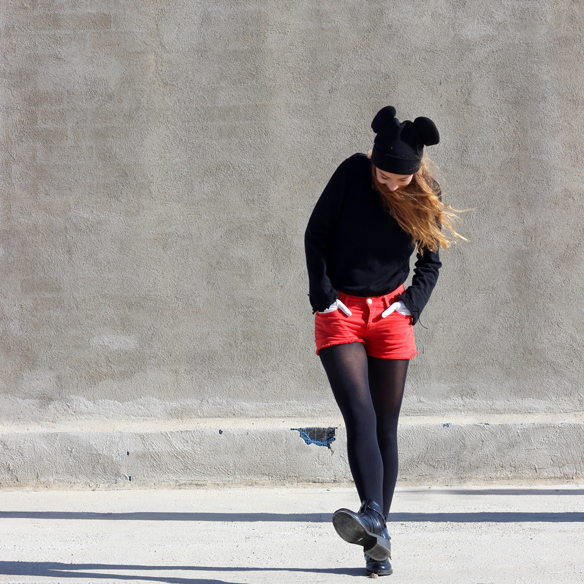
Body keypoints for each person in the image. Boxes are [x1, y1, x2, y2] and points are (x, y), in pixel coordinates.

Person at [304, 106, 463, 576]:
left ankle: (377, 538)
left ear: (414, 172)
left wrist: (410, 305)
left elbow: (430, 263)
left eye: (399, 179)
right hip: (342, 314)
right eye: (383, 176)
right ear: (372, 160)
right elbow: (316, 234)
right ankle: (374, 519)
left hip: (392, 314)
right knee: (361, 416)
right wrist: (323, 297)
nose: (390, 185)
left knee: (385, 428)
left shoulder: (425, 193)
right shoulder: (353, 173)